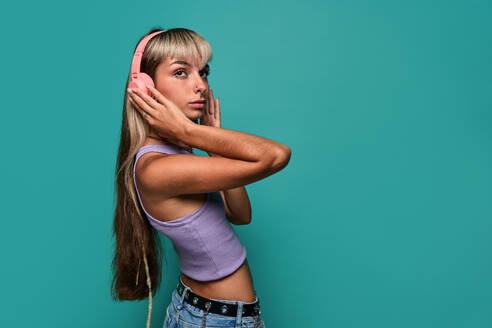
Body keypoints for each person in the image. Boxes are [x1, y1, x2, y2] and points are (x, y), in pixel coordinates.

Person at [111, 27, 291, 328]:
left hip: (215, 315)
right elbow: (276, 155)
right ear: (144, 87)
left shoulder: (178, 156)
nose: (201, 86)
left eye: (203, 72)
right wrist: (191, 131)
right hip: (212, 319)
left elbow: (241, 214)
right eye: (181, 72)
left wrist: (214, 146)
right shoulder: (156, 168)